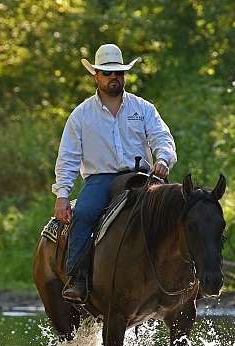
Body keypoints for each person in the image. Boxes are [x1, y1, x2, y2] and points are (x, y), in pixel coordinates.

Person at [52, 43, 177, 303]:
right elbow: (69, 157)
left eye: (119, 72)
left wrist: (163, 159)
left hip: (143, 176)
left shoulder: (143, 108)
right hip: (102, 179)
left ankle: (187, 277)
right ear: (96, 75)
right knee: (85, 214)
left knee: (179, 211)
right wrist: (62, 194)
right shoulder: (81, 115)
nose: (114, 77)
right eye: (108, 73)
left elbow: (161, 137)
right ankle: (77, 278)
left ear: (124, 75)